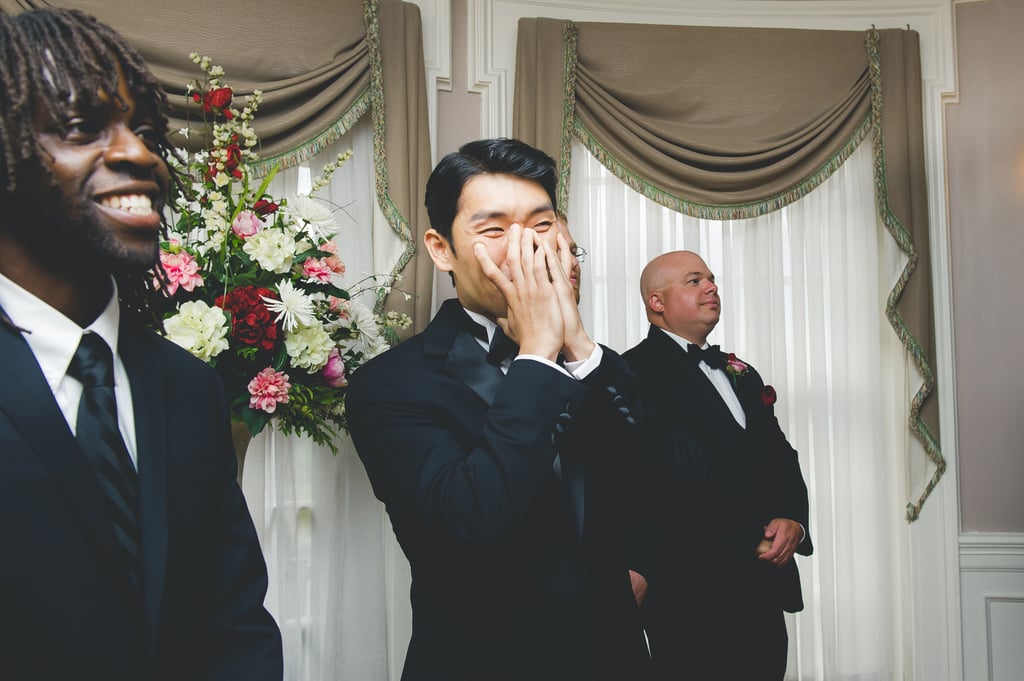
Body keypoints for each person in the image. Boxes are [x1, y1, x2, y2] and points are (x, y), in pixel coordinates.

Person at [0, 9, 282, 680]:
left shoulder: (187, 386)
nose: (139, 154)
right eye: (80, 127)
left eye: (146, 131)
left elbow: (235, 618)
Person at [346, 138, 652, 681]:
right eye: (493, 231)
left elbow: (667, 484)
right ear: (442, 250)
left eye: (540, 225)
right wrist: (536, 354)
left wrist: (577, 346)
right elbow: (466, 522)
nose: (526, 249)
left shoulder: (594, 363)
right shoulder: (390, 383)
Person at [623, 250, 812, 681]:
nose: (711, 287)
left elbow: (780, 456)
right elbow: (638, 484)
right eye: (694, 281)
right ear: (657, 302)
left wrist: (793, 520)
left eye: (711, 278)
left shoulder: (741, 373)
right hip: (688, 587)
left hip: (763, 578)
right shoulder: (630, 373)